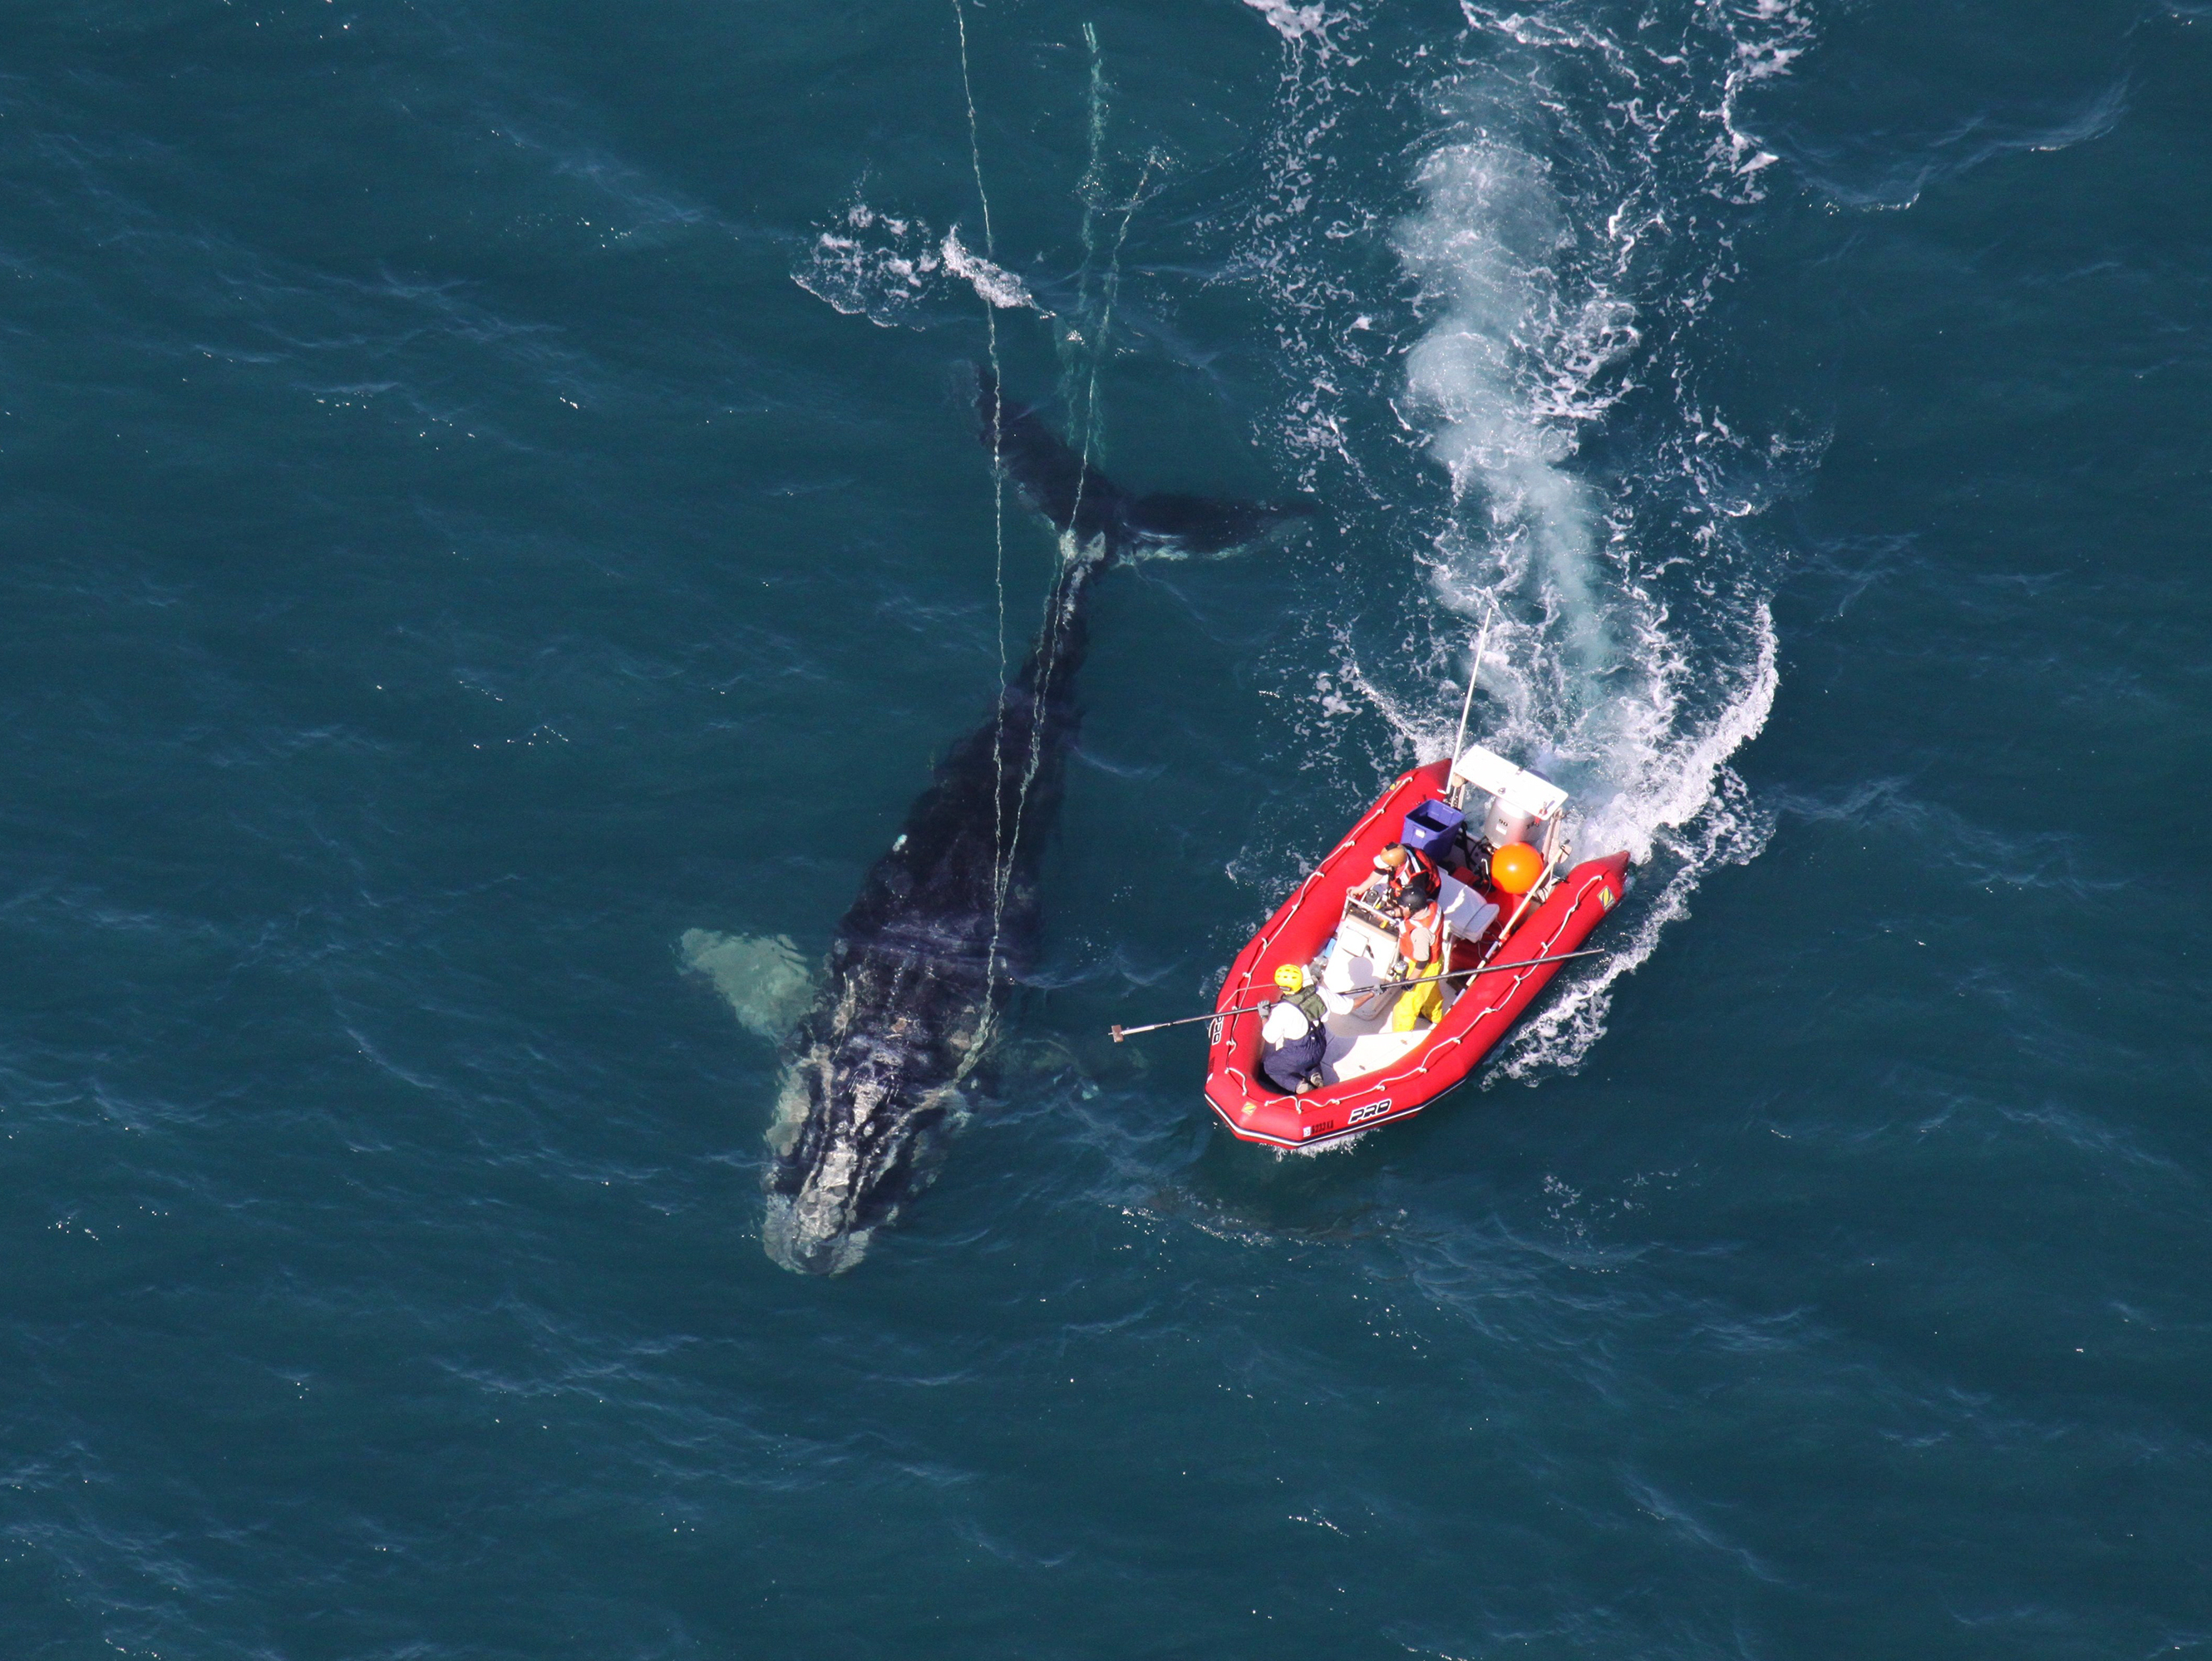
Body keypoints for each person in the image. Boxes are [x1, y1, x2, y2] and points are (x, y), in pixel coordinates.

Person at [1258, 962, 1328, 1096]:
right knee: (1311, 1058)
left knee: (1271, 1067)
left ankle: (1300, 1086)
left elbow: (1269, 1037)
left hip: (1299, 1053)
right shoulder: (1317, 994)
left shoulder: (1282, 1011)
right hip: (1320, 1046)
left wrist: (1264, 1016)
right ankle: (1315, 1075)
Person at [1363, 842, 1441, 919]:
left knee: (1412, 909)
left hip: (1421, 893)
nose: (1384, 868)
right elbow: (1381, 870)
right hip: (1407, 887)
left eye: (1386, 866)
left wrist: (1391, 913)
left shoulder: (1416, 878)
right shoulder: (1399, 853)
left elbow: (1413, 907)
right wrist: (1360, 889)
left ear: (1397, 866)